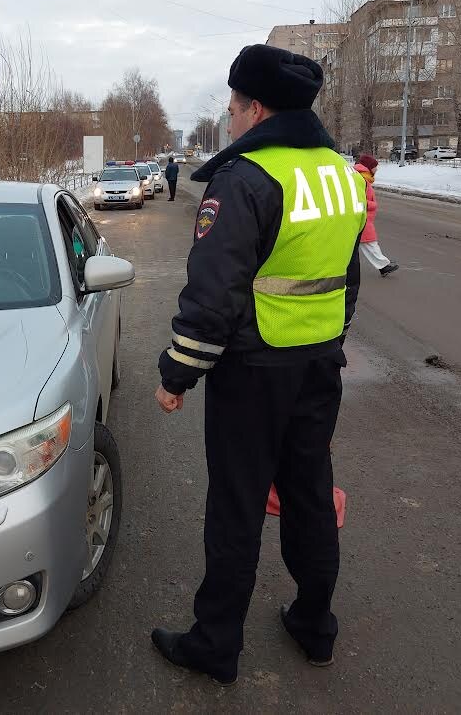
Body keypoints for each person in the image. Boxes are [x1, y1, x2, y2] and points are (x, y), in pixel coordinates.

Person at [151, 45, 367, 685]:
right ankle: (314, 625)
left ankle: (216, 645)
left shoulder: (245, 180)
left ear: (257, 109)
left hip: (252, 371)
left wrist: (177, 372)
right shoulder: (340, 173)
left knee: (237, 507)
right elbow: (346, 277)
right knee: (307, 495)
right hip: (318, 364)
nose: (230, 115)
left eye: (233, 106)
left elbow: (214, 294)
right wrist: (331, 339)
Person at [353, 154, 399, 277]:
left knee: (356, 245)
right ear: (369, 167)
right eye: (375, 167)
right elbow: (356, 199)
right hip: (360, 218)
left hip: (361, 217)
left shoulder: (362, 178)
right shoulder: (361, 179)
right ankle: (383, 266)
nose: (377, 169)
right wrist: (372, 205)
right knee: (369, 242)